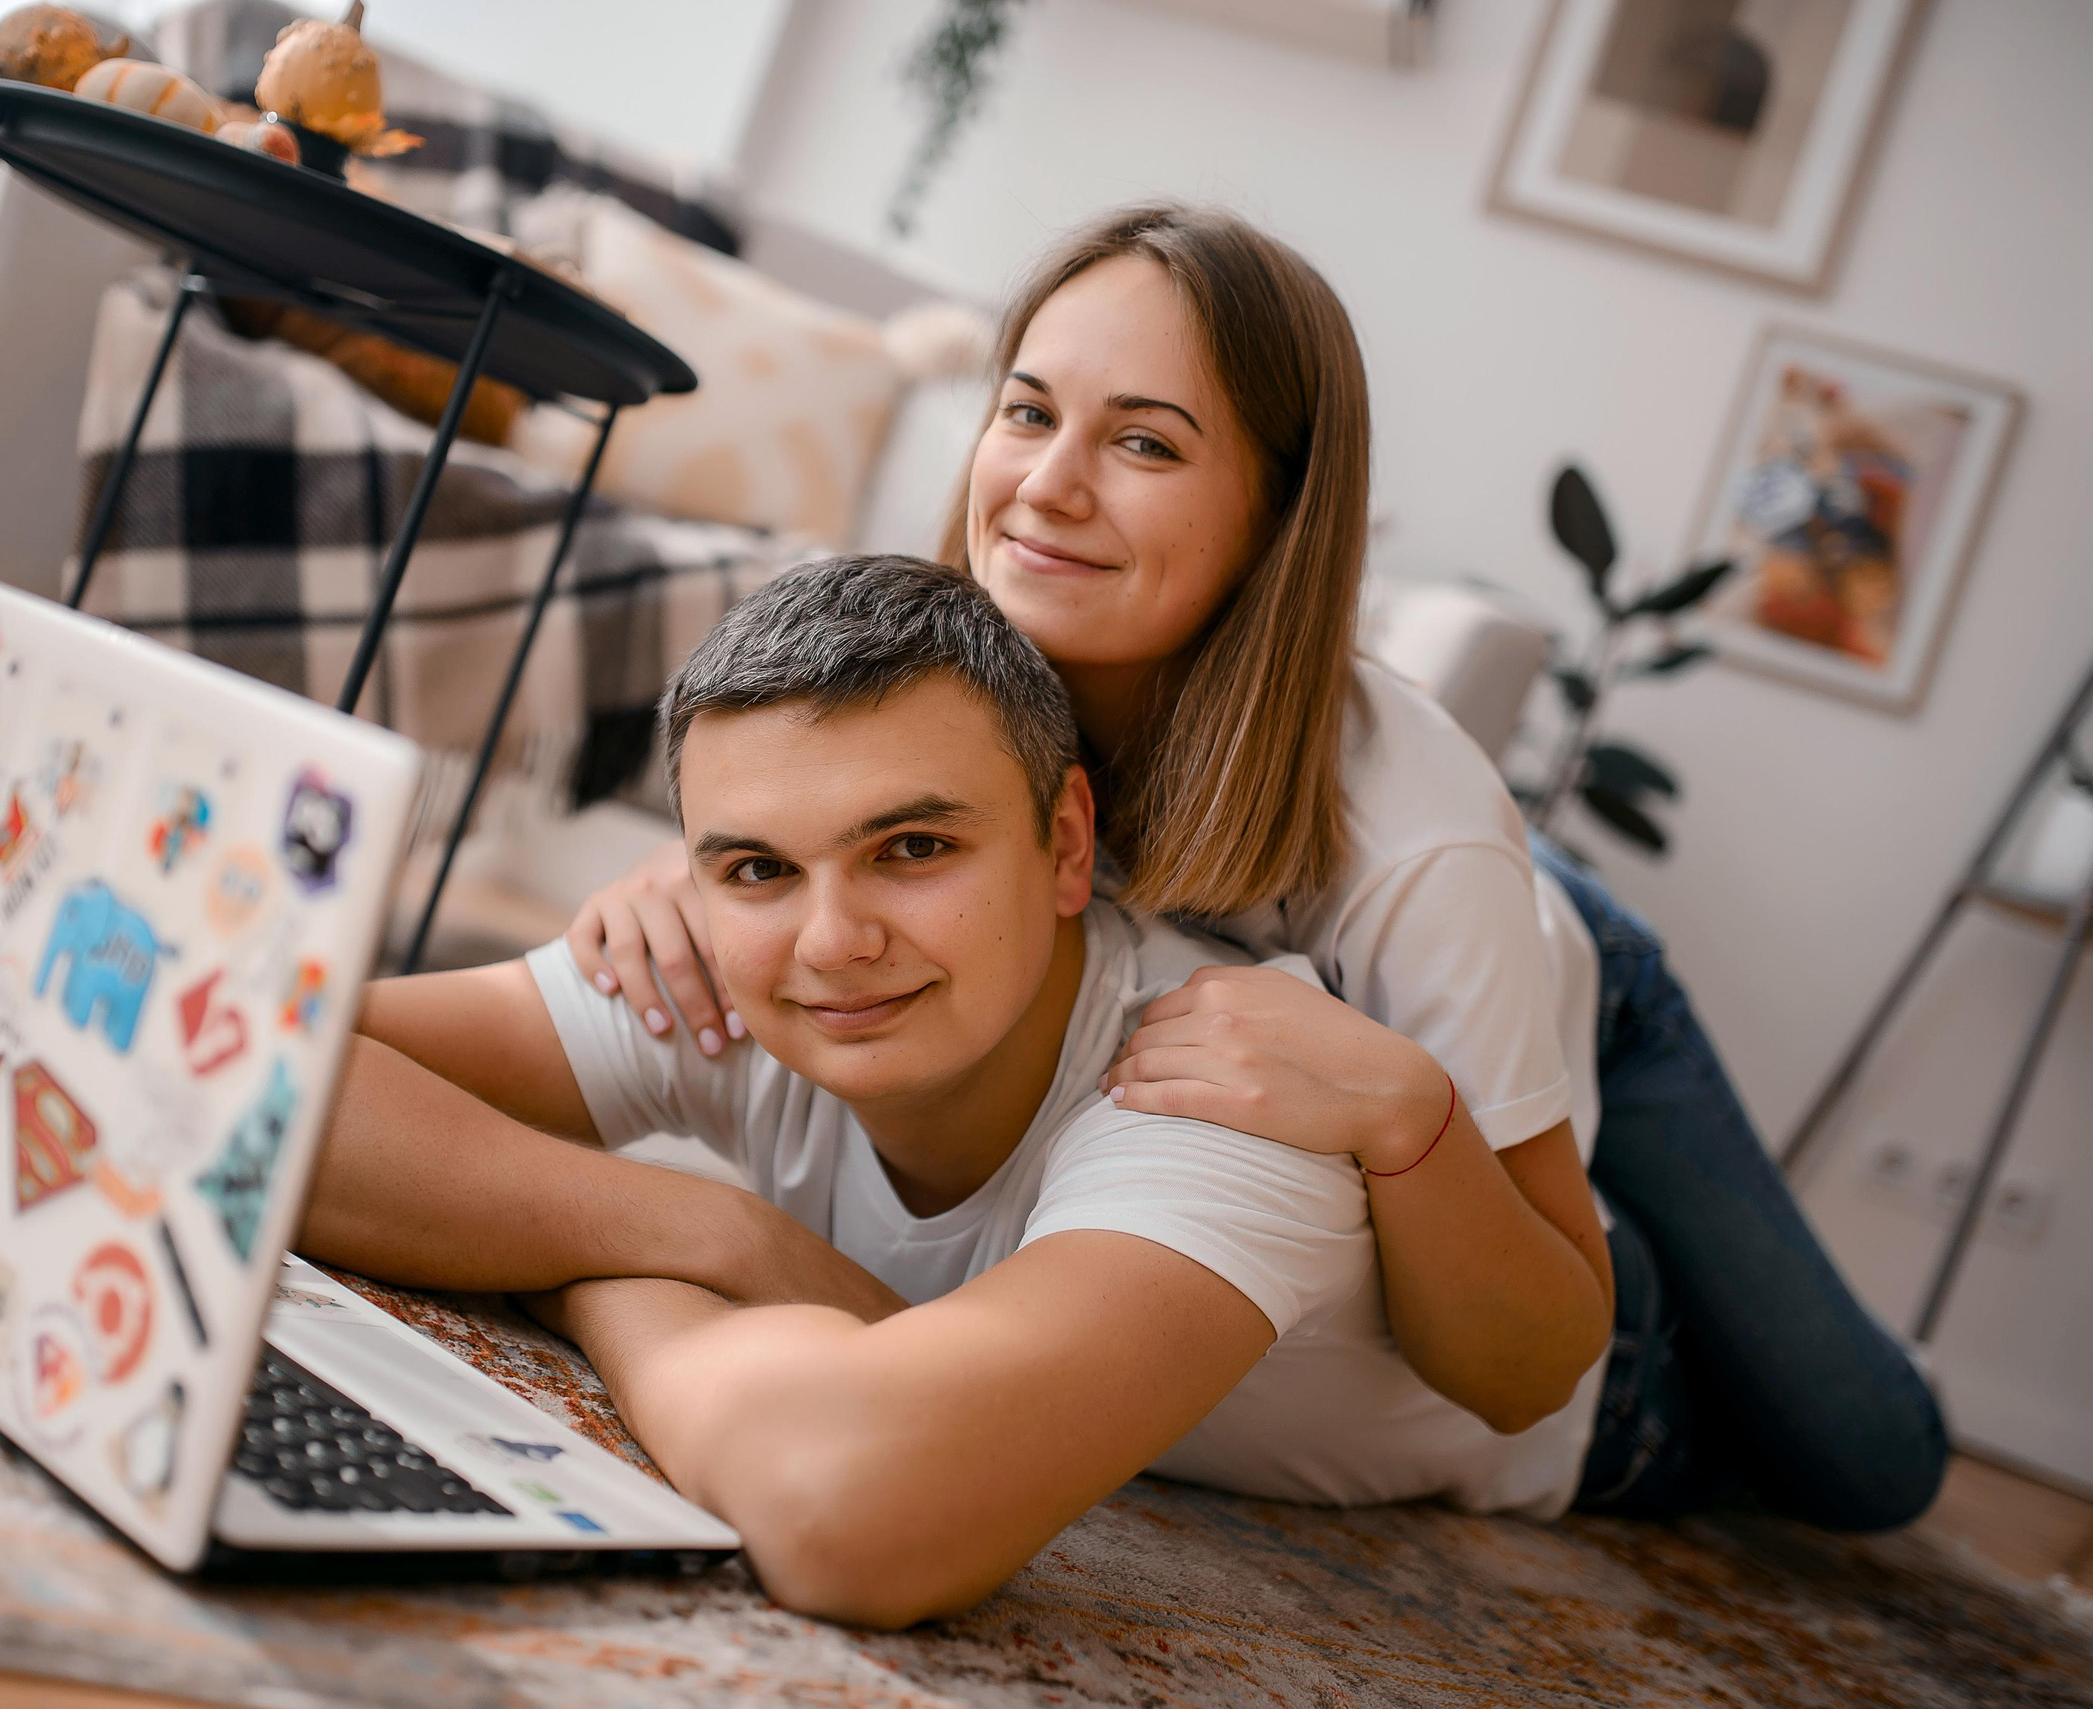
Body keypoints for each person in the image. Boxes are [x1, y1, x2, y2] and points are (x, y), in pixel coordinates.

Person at [561, 204, 1946, 1531]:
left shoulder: (1413, 838)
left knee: (1865, 1457)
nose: (1048, 486)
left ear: (1278, 510)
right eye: (1029, 412)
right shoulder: (943, 671)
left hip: (1567, 971)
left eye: (1146, 445)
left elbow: (1533, 1363)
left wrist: (1408, 1109)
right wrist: (692, 884)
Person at [301, 556, 1607, 1629]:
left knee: (1820, 1428)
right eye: (753, 866)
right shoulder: (717, 965)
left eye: (913, 846)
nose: (831, 941)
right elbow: (251, 1055)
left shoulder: (1214, 1082)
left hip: (1603, 1381)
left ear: (1065, 844)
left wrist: (586, 1270)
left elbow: (849, 1514)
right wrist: (701, 1230)